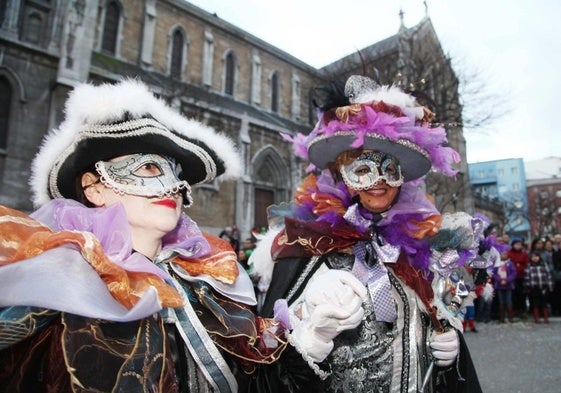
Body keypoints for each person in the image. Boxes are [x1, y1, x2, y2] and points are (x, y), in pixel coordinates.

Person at [0, 80, 288, 392]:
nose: (172, 185)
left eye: (176, 173)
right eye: (149, 167)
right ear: (95, 188)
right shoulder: (59, 288)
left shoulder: (203, 286)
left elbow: (257, 380)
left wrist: (312, 339)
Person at [248, 75, 482, 392]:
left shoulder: (416, 248)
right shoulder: (311, 244)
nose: (378, 181)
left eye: (390, 169)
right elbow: (268, 353)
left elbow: (436, 314)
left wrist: (450, 351)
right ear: (342, 176)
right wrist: (310, 340)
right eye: (362, 170)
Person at [524, 251, 554, 323]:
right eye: (533, 257)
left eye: (536, 256)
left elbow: (548, 275)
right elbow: (527, 277)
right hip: (534, 287)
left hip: (543, 286)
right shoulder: (529, 266)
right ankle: (537, 318)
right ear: (531, 258)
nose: (535, 258)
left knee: (544, 303)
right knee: (535, 303)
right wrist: (528, 287)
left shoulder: (544, 265)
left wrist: (550, 285)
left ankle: (546, 317)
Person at [492, 250, 517, 323]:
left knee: (509, 301)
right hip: (499, 285)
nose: (504, 256)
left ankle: (510, 317)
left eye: (505, 254)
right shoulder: (497, 264)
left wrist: (507, 280)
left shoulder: (510, 263)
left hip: (508, 285)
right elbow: (494, 273)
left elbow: (514, 273)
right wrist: (500, 280)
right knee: (501, 302)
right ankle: (502, 317)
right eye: (502, 254)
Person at [508, 239, 530, 319]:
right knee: (513, 295)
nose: (518, 246)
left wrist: (522, 268)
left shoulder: (524, 254)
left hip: (521, 277)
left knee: (522, 294)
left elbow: (526, 263)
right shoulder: (509, 253)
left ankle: (522, 310)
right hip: (512, 277)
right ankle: (513, 310)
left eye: (519, 245)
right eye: (516, 244)